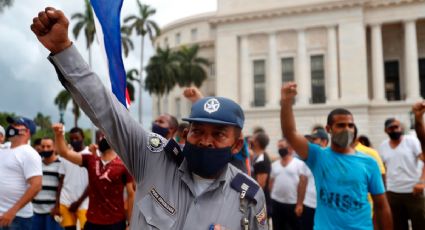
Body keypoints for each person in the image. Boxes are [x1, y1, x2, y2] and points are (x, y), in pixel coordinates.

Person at [31, 7, 267, 229]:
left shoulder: (249, 198)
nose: (206, 141)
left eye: (218, 135)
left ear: (237, 145)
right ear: (186, 134)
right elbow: (107, 111)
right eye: (198, 131)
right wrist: (63, 49)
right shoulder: (152, 158)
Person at [280, 82, 392, 229]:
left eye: (350, 125)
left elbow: (382, 206)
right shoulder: (317, 156)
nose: (347, 129)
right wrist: (287, 102)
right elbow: (290, 133)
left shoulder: (369, 163)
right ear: (329, 129)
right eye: (341, 125)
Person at [53, 124, 135, 230]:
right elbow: (64, 153)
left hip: (115, 222)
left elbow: (131, 194)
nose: (103, 137)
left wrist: (131, 223)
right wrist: (58, 134)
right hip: (92, 222)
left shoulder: (124, 165)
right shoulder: (91, 160)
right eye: (101, 135)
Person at [378, 117, 425, 230]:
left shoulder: (411, 141)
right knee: (398, 225)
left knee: (421, 224)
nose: (394, 130)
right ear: (386, 130)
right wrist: (383, 189)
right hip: (393, 192)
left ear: (401, 128)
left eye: (396, 127)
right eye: (391, 128)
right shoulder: (383, 146)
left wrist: (422, 182)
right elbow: (383, 169)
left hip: (414, 191)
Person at [0, 116, 42, 229]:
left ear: (27, 131)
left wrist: (13, 211)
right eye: (12, 124)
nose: (12, 127)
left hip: (17, 218)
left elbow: (36, 186)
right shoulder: (5, 149)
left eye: (17, 125)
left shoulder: (29, 154)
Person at [269, 139, 311, 230]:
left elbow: (303, 183)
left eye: (282, 146)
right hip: (277, 202)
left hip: (292, 203)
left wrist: (300, 204)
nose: (280, 149)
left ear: (290, 148)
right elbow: (271, 183)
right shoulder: (274, 165)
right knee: (277, 226)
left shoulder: (299, 164)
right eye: (279, 147)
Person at [57, 127, 89, 230]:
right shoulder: (65, 156)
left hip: (84, 203)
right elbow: (61, 181)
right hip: (65, 201)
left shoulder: (91, 154)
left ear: (83, 137)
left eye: (77, 138)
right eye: (72, 139)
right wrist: (57, 203)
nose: (74, 141)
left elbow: (93, 183)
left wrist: (79, 202)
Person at [32, 137, 63, 230]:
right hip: (35, 210)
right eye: (43, 146)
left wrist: (57, 207)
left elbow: (61, 187)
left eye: (48, 146)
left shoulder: (61, 164)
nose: (45, 149)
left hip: (52, 211)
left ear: (54, 147)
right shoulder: (36, 164)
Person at [251, 132, 272, 219]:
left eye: (253, 138)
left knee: (259, 225)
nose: (250, 140)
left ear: (257, 142)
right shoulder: (257, 157)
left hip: (260, 202)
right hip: (257, 201)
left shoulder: (262, 160)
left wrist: (253, 203)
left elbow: (261, 184)